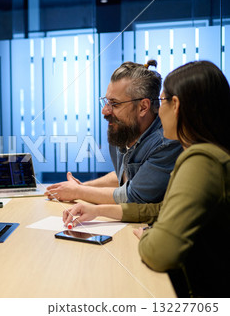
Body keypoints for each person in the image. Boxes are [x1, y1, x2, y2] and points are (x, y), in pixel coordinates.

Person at [63, 61, 230, 297]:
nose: (158, 111)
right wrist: (98, 210)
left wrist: (151, 234)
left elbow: (159, 252)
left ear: (177, 106)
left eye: (161, 102)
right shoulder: (211, 154)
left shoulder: (201, 160)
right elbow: (160, 209)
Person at [45, 60, 182, 204]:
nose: (105, 111)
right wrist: (81, 187)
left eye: (115, 104)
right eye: (106, 102)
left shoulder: (166, 141)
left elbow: (133, 195)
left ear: (143, 107)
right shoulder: (123, 130)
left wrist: (78, 191)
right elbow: (126, 177)